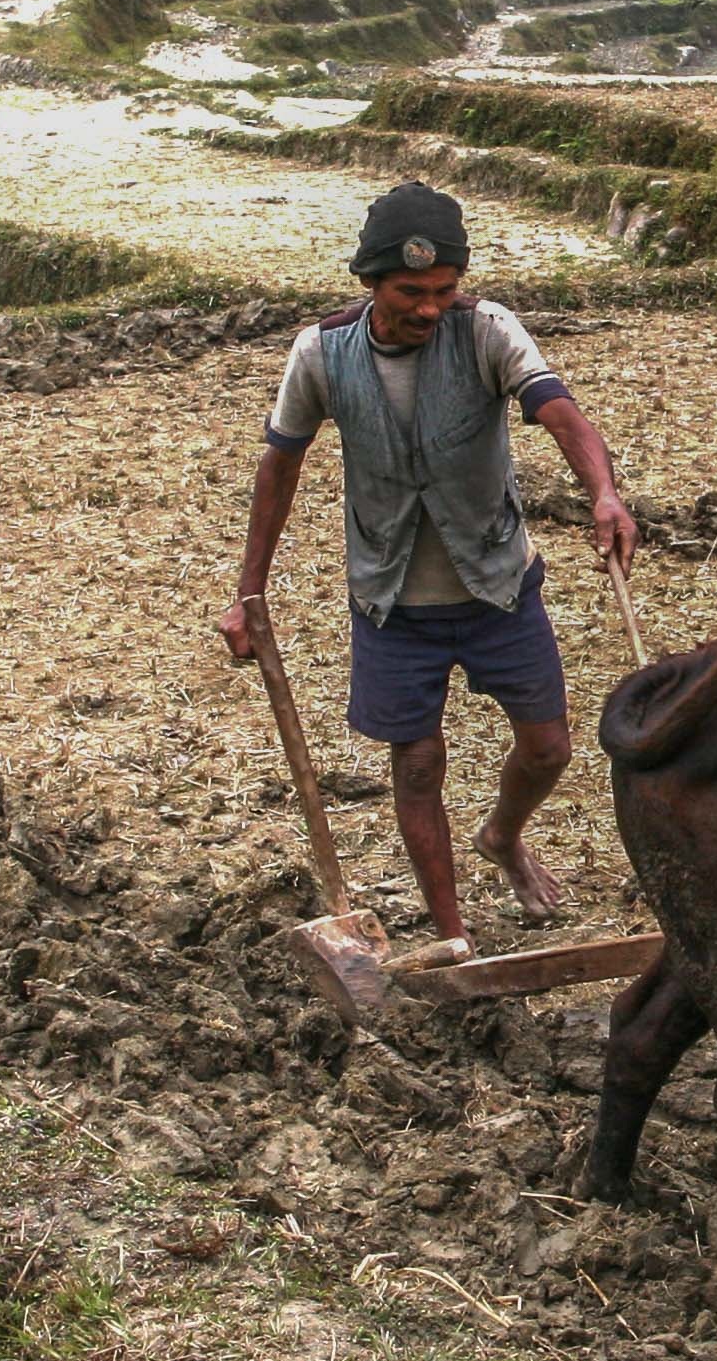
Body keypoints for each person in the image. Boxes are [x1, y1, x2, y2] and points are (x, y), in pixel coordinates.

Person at [217, 182, 637, 944]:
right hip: (393, 602)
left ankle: (503, 836)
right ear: (371, 282)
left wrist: (603, 493)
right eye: (411, 292)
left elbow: (560, 412)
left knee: (549, 749)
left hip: (498, 586)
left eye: (445, 290)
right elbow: (279, 466)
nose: (430, 308)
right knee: (416, 766)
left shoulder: (488, 332)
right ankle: (455, 938)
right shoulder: (320, 353)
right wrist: (249, 589)